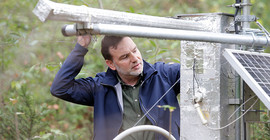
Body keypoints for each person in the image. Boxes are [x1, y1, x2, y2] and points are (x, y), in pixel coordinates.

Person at [50, 35, 180, 140]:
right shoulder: (100, 87)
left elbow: (197, 71)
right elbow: (60, 87)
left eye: (134, 50)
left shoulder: (164, 74)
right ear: (111, 64)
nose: (135, 59)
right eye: (125, 57)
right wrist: (81, 46)